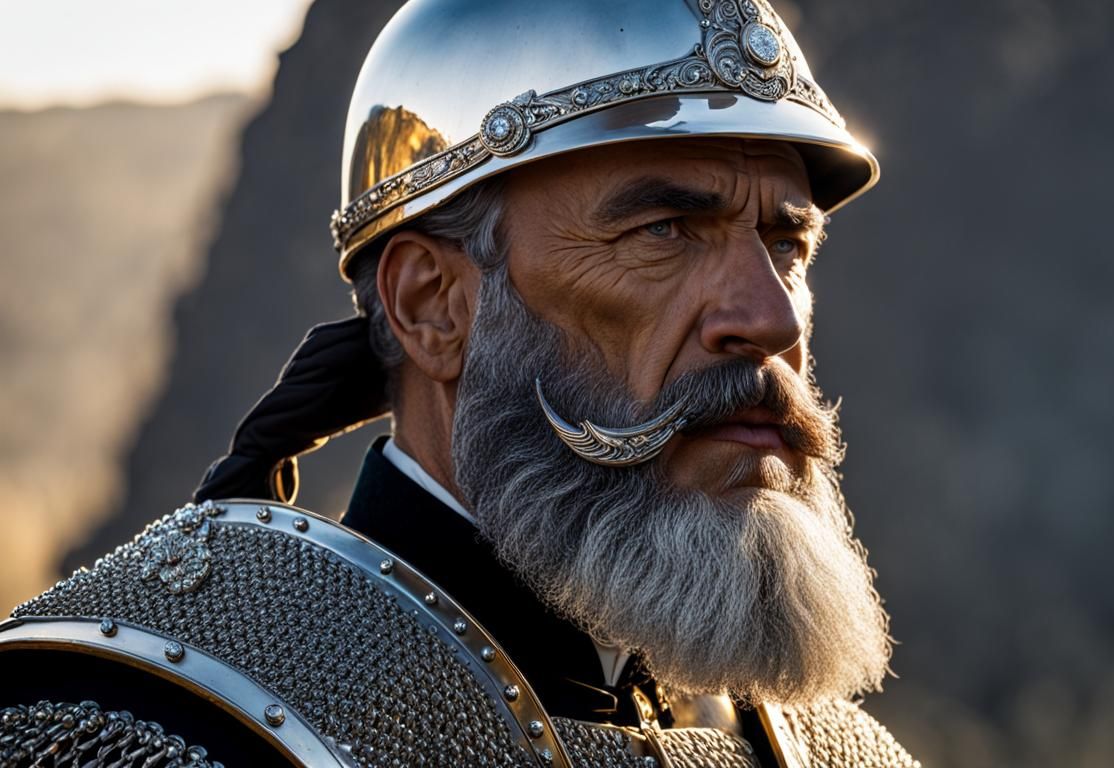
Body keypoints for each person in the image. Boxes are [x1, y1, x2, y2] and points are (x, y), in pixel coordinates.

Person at [0, 1, 919, 765]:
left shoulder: (836, 753)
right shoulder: (131, 730)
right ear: (434, 305)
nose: (772, 319)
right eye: (665, 232)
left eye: (785, 244)